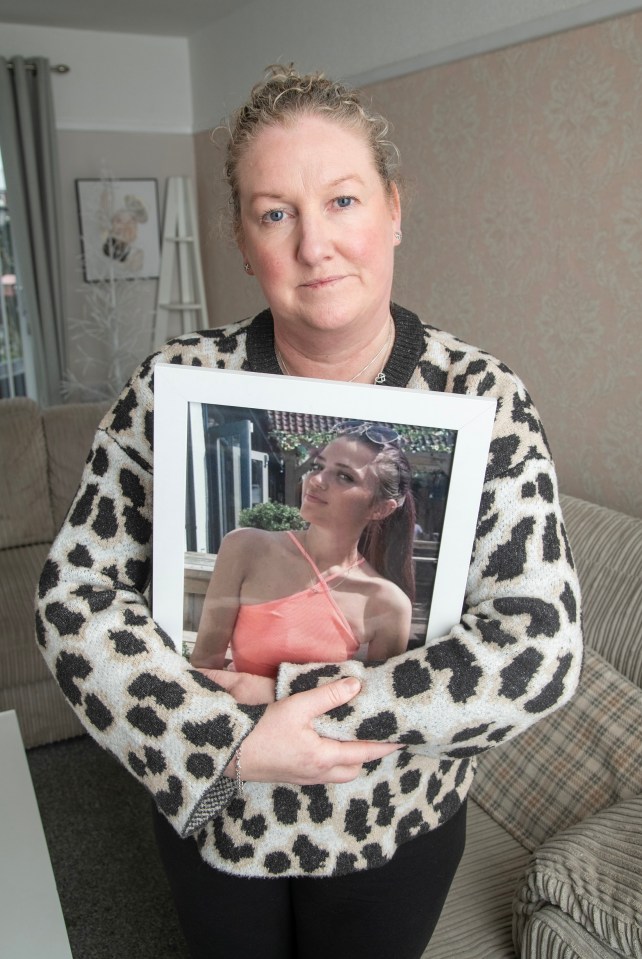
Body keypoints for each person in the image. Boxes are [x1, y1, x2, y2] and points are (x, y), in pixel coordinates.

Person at [36, 64, 583, 959]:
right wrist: (229, 745)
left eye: (342, 200)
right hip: (219, 810)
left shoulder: (483, 396)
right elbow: (74, 602)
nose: (315, 246)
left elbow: (539, 645)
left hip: (394, 822)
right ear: (245, 241)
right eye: (276, 212)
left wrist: (301, 712)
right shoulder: (172, 387)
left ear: (394, 210)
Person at [192, 425, 415, 677]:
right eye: (319, 466)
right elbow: (204, 665)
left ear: (381, 509)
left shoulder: (388, 604)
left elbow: (372, 706)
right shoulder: (244, 547)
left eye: (344, 476)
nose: (316, 480)